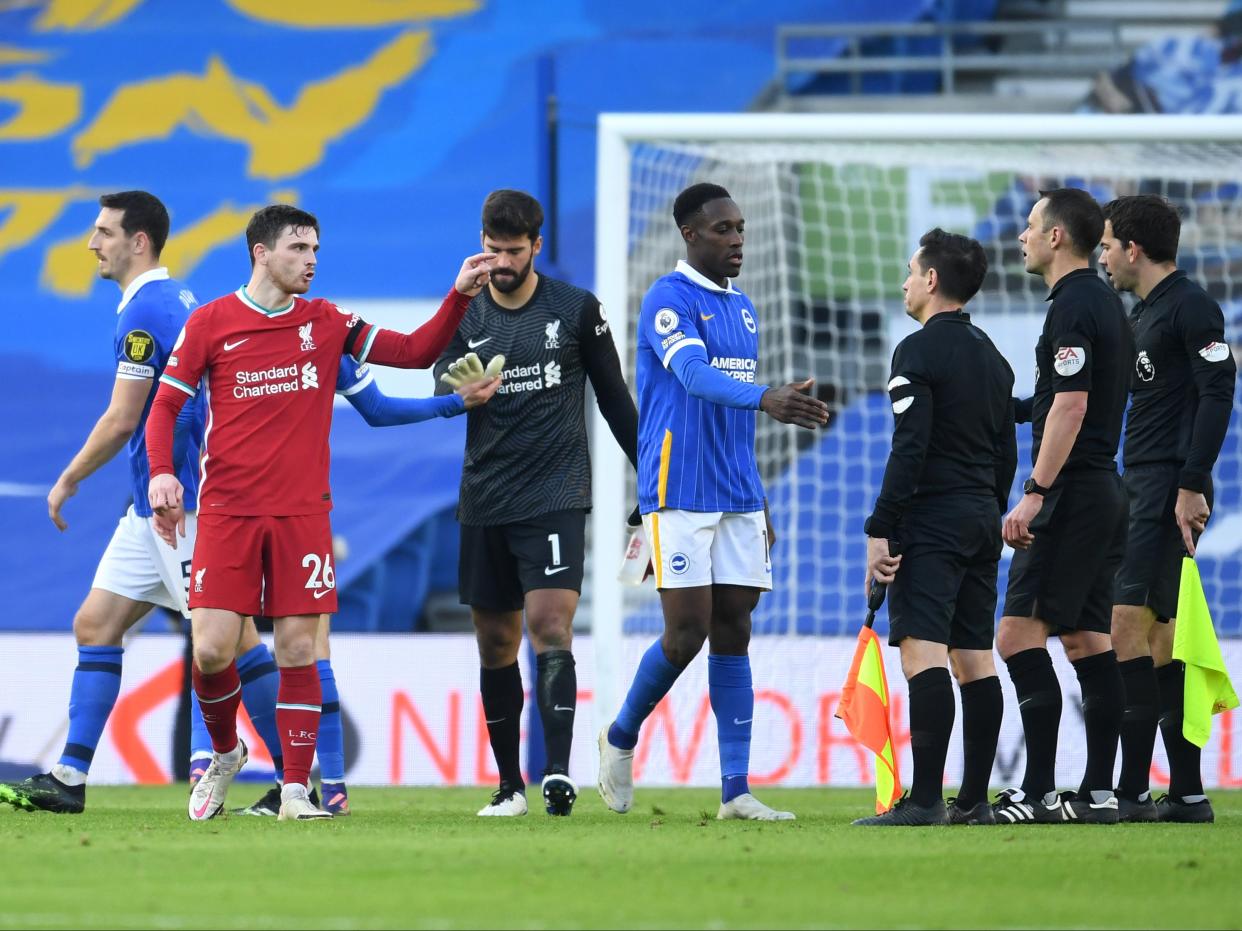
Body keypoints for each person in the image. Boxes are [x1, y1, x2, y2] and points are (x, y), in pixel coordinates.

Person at [145, 203, 499, 821]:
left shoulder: (327, 322)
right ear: (261, 252)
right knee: (210, 650)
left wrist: (459, 299)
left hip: (302, 514)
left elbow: (413, 352)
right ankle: (225, 753)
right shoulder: (210, 323)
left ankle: (294, 792)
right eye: (298, 248)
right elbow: (163, 409)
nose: (311, 260)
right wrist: (162, 473)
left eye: (315, 250)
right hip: (227, 512)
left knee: (299, 649)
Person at [0, 191, 280, 816]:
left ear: (139, 242)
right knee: (95, 625)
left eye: (103, 232)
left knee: (233, 642)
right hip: (149, 503)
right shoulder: (171, 296)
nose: (92, 243)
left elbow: (125, 417)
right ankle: (69, 779)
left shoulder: (147, 310)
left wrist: (68, 477)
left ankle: (297, 781)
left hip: (179, 502)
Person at [596, 182, 829, 822]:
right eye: (723, 229)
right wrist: (767, 397)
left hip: (736, 493)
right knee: (686, 632)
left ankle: (736, 791)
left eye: (741, 229)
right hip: (678, 490)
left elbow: (732, 420)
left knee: (735, 628)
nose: (737, 240)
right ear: (690, 234)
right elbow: (695, 379)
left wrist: (759, 501)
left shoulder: (746, 309)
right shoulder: (666, 301)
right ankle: (619, 737)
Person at [432, 189, 639, 817]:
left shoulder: (575, 310)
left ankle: (556, 772)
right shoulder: (466, 311)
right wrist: (459, 385)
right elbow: (436, 371)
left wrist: (651, 478)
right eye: (491, 249)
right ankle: (507, 785)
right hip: (485, 496)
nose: (499, 261)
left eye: (513, 251)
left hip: (554, 493)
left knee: (551, 627)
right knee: (495, 643)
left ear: (537, 247)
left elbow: (615, 400)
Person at [222, 353, 482, 817]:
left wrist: (451, 402)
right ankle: (304, 782)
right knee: (223, 641)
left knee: (299, 646)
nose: (307, 273)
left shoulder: (316, 332)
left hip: (297, 511)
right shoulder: (233, 334)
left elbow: (401, 368)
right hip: (240, 511)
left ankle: (322, 784)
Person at [854, 229, 1016, 827]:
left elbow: (910, 447)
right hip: (981, 520)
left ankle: (924, 802)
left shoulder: (916, 352)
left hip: (935, 520)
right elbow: (1006, 451)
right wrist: (989, 507)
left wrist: (882, 526)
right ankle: (973, 802)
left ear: (930, 280)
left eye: (909, 270)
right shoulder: (994, 357)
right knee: (974, 658)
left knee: (922, 653)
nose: (903, 282)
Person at [993, 188, 1135, 825]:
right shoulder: (1104, 301)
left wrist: (1036, 491)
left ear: (1056, 238)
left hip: (1072, 493)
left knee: (1017, 634)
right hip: (1103, 487)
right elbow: (1064, 400)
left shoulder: (1074, 304)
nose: (1021, 236)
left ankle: (1038, 792)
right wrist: (1014, 410)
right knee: (1085, 639)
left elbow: (1072, 407)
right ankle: (1099, 793)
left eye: (1030, 226)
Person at [1099, 194, 1237, 823]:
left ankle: (1128, 790)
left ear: (1133, 248)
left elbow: (1219, 389)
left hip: (1164, 485)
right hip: (1143, 482)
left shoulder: (1192, 307)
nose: (1102, 256)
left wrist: (1192, 481)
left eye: (1106, 245)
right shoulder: (1142, 313)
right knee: (1157, 635)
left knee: (1126, 622)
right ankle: (1184, 793)